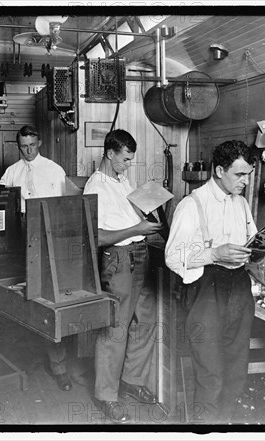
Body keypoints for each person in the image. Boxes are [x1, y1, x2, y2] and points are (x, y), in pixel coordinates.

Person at [165, 140, 258, 423]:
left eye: (248, 174)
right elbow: (172, 255)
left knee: (236, 371)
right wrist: (214, 252)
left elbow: (250, 240)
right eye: (239, 174)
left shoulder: (240, 202)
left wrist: (262, 249)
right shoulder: (192, 205)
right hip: (206, 290)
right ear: (219, 170)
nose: (245, 181)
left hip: (239, 287)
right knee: (211, 374)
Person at [83, 129, 163, 423]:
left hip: (141, 254)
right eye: (125, 159)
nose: (128, 165)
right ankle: (106, 394)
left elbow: (131, 213)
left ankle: (132, 380)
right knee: (114, 328)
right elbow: (98, 236)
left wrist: (148, 215)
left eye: (130, 160)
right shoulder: (95, 187)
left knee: (146, 322)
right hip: (119, 260)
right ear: (110, 153)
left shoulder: (121, 179)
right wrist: (136, 230)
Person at [0, 124, 80, 392]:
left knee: (49, 298)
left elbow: (66, 206)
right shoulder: (11, 172)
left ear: (40, 142)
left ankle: (59, 368)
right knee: (22, 297)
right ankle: (20, 360)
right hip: (18, 234)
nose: (28, 150)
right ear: (17, 145)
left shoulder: (54, 170)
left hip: (48, 234)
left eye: (32, 145)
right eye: (23, 146)